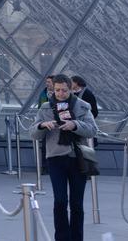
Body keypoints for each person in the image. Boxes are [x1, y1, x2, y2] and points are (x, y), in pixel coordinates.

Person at [32, 74, 97, 241]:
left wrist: (75, 125)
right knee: (60, 201)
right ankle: (61, 238)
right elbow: (33, 133)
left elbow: (92, 130)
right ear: (53, 89)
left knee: (76, 204)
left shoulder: (82, 106)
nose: (60, 93)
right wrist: (42, 125)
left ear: (71, 89)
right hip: (55, 158)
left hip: (78, 158)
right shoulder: (45, 108)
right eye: (57, 90)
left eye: (64, 90)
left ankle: (76, 238)